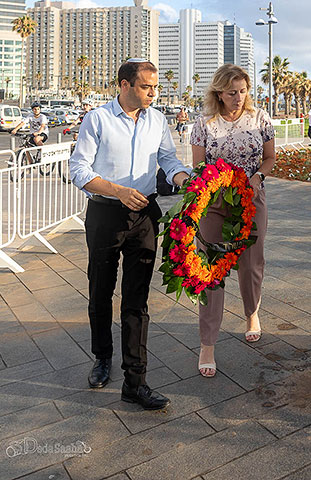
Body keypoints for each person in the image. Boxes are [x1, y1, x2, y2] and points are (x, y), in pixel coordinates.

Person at [68, 59, 191, 410]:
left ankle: (135, 382)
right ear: (124, 85)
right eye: (146, 86)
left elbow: (169, 159)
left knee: (137, 301)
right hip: (105, 214)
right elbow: (78, 169)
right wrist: (116, 190)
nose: (153, 93)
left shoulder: (157, 119)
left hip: (145, 216)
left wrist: (183, 179)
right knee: (100, 292)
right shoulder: (98, 119)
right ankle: (102, 357)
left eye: (156, 87)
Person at [190, 64, 276, 378]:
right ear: (218, 93)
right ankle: (207, 343)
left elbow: (270, 158)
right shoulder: (203, 125)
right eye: (231, 93)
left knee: (252, 262)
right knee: (211, 269)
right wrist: (216, 185)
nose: (238, 98)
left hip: (251, 201)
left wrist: (257, 177)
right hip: (214, 203)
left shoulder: (260, 119)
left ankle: (251, 312)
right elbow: (199, 167)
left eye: (242, 91)